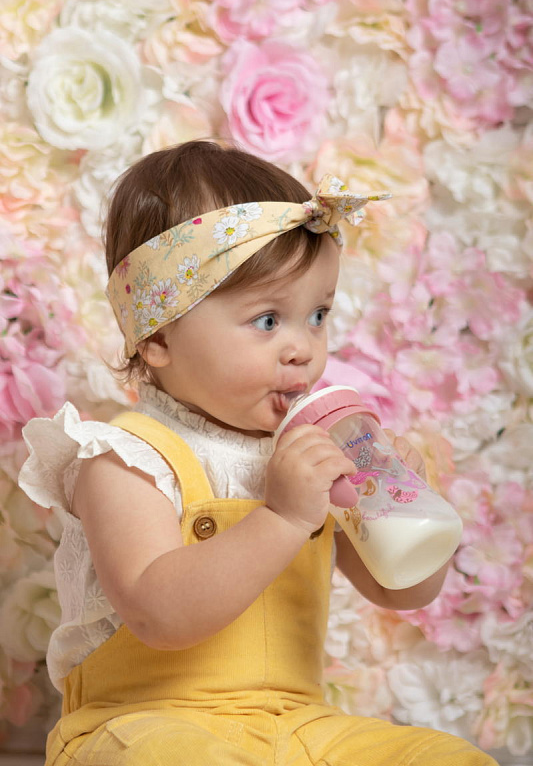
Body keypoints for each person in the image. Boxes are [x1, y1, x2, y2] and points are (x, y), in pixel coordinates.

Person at [19, 141, 498, 765]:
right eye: (268, 320)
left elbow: (401, 590)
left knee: (445, 758)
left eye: (317, 315)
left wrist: (404, 501)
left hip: (296, 725)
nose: (303, 348)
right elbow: (160, 616)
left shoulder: (310, 451)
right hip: (147, 720)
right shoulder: (125, 458)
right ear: (158, 337)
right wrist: (283, 517)